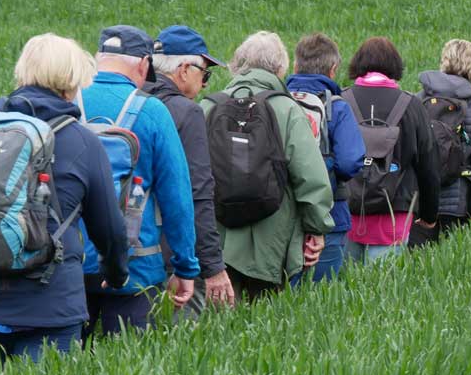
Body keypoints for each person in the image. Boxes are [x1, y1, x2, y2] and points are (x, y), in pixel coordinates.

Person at [0, 34, 129, 374]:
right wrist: (116, 275)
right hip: (52, 306)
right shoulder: (83, 141)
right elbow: (110, 228)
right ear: (72, 81)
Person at [80, 25, 199, 335]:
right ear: (145, 64)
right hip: (136, 270)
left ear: (97, 59)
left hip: (68, 267)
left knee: (65, 370)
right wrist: (185, 267)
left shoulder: (67, 103)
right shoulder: (152, 111)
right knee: (126, 372)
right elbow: (177, 198)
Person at [204, 31, 335, 299]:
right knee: (266, 327)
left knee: (216, 327)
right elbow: (309, 175)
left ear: (237, 64)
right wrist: (317, 228)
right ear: (280, 68)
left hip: (216, 237)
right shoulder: (286, 109)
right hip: (272, 238)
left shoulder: (208, 106)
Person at [147, 24, 234, 313]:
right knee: (178, 348)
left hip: (124, 258)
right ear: (184, 69)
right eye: (204, 73)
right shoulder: (187, 112)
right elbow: (197, 193)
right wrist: (213, 268)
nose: (206, 83)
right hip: (173, 260)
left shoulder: (130, 104)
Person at [343, 36, 440, 263]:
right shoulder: (411, 105)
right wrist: (429, 214)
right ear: (395, 65)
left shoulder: (341, 101)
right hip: (393, 218)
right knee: (382, 292)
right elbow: (429, 164)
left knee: (344, 291)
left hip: (348, 214)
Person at [284, 33, 366, 285]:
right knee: (321, 296)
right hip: (330, 214)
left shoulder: (277, 102)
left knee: (280, 299)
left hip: (281, 213)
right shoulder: (338, 108)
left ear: (295, 66)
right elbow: (350, 161)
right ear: (333, 70)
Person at [412, 39, 471, 245]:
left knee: (417, 263)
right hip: (459, 201)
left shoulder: (417, 100)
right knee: (452, 265)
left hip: (419, 197)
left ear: (443, 61)